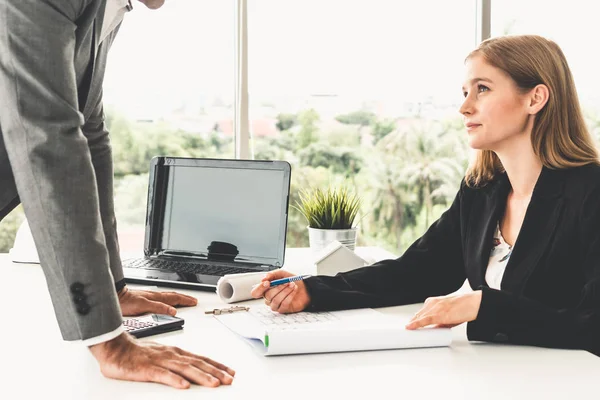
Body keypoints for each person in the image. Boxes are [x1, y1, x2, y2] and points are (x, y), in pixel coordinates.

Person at [252, 34, 600, 356]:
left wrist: (482, 306)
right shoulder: (482, 190)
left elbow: (592, 325)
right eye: (465, 92)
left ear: (535, 98)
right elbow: (416, 271)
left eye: (482, 89)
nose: (465, 107)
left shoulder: (591, 193)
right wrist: (313, 289)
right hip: (498, 376)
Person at [0, 0, 234, 389]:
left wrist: (114, 289)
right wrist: (109, 342)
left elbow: (89, 133)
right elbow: (49, 142)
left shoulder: (106, 10)